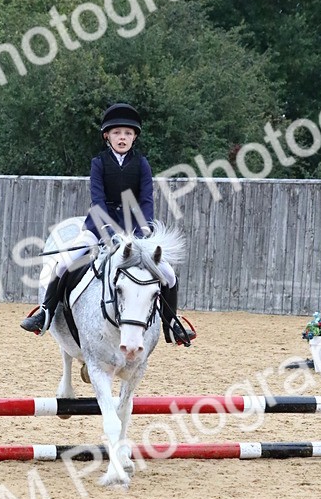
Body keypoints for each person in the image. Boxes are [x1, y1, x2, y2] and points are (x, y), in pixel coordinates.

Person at [20, 102, 194, 344]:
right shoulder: (99, 163)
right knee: (62, 264)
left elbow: (145, 200)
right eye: (117, 133)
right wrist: (107, 232)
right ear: (107, 136)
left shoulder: (142, 163)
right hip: (98, 227)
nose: (122, 138)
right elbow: (98, 200)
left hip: (134, 230)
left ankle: (171, 324)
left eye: (128, 133)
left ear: (134, 137)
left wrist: (144, 231)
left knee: (169, 275)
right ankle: (45, 313)